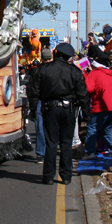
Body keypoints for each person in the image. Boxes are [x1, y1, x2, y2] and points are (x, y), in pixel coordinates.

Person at [27, 43, 89, 185]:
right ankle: (66, 176)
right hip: (68, 110)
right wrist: (86, 113)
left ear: (55, 53)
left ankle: (48, 176)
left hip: (50, 109)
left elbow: (34, 92)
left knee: (51, 143)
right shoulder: (75, 72)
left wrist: (33, 110)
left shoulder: (42, 70)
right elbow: (83, 95)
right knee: (66, 143)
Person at [82, 61, 112, 160]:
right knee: (108, 128)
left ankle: (90, 152)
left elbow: (88, 88)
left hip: (102, 104)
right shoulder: (109, 75)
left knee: (92, 128)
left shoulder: (94, 74)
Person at [33, 47, 54, 164]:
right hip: (53, 100)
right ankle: (50, 152)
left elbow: (34, 89)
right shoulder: (56, 69)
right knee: (51, 128)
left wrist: (33, 105)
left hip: (41, 100)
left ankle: (41, 153)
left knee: (40, 128)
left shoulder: (38, 70)